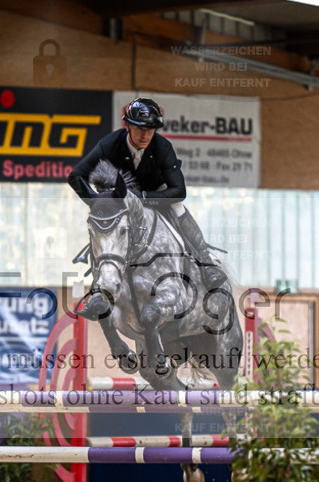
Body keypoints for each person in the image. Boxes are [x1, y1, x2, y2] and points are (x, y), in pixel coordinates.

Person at [67, 97, 226, 320]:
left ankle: (206, 262)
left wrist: (143, 198)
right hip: (121, 200)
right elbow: (75, 176)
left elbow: (179, 190)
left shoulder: (162, 147)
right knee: (105, 231)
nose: (146, 135)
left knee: (178, 206)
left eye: (150, 129)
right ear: (128, 126)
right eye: (140, 128)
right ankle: (98, 291)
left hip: (157, 194)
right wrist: (96, 201)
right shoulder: (110, 143)